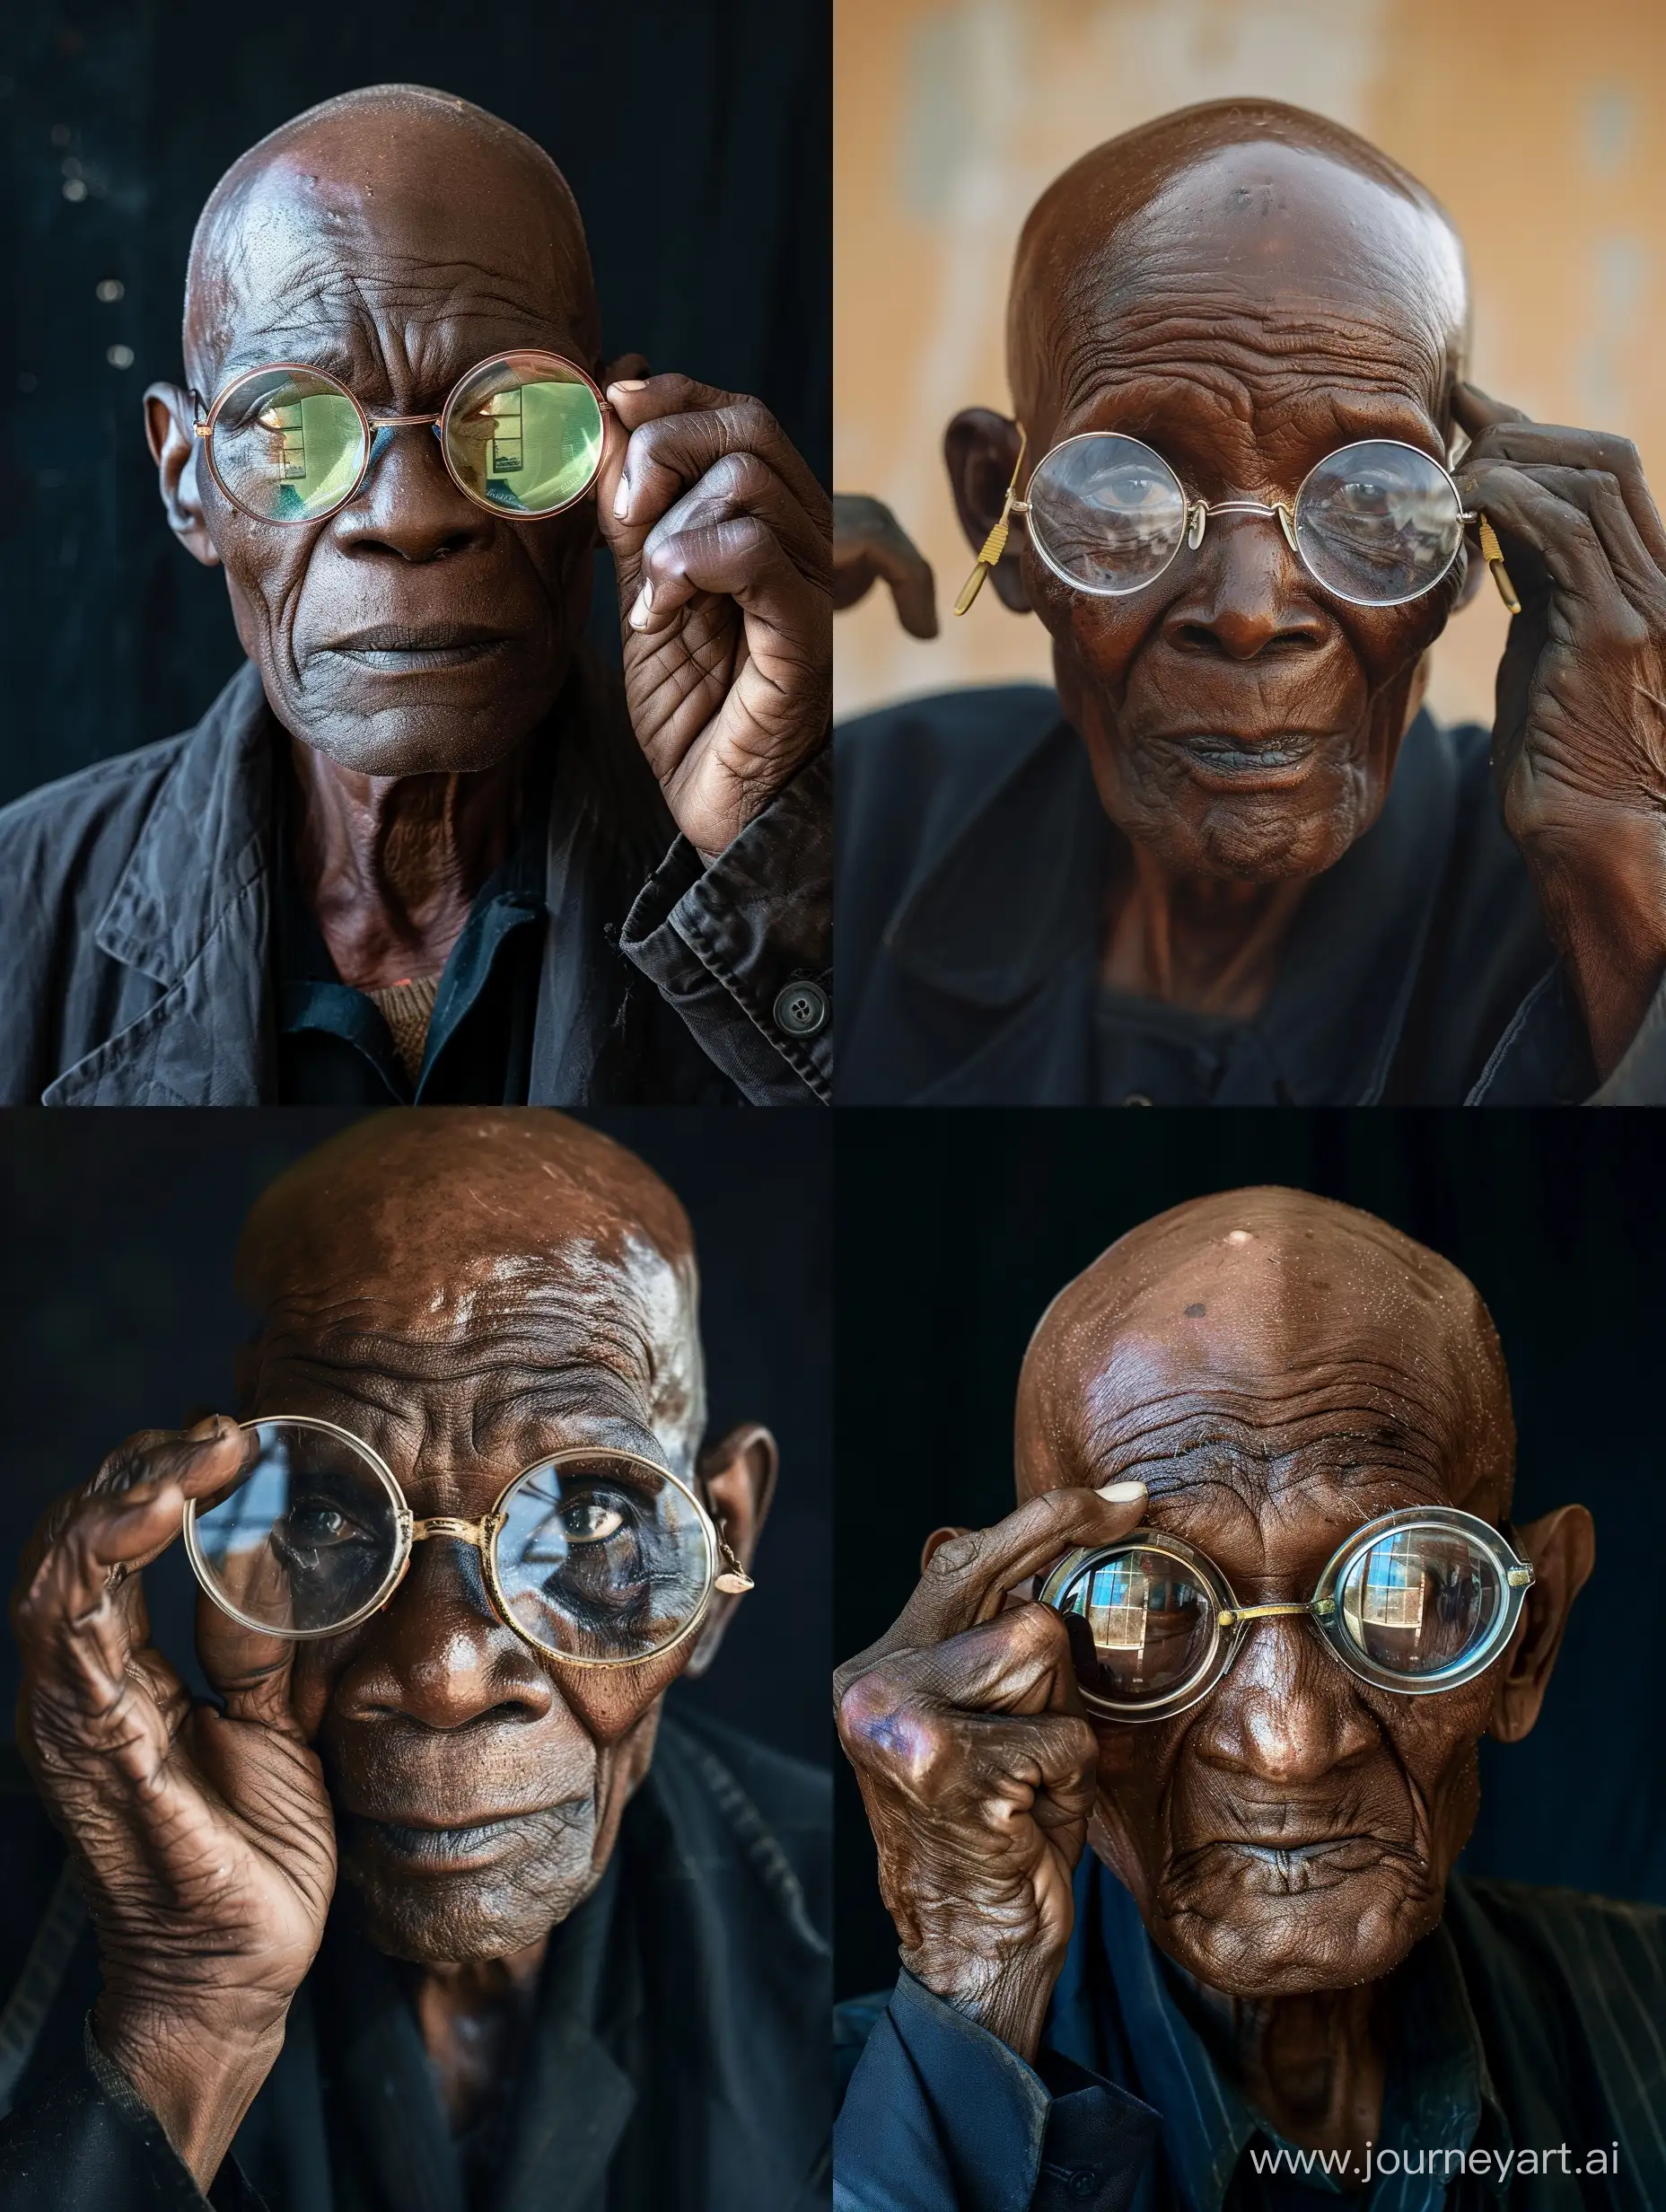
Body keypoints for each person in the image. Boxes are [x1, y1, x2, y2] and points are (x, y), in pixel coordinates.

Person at [0, 1111, 829, 2210]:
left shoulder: (854, 1916)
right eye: (336, 1517)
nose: (440, 1672)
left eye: (583, 1523)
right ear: (227, 1521)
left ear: (720, 1543)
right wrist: (185, 2013)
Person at [0, 85, 831, 1108]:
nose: (408, 513)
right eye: (295, 428)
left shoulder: (816, 864)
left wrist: (767, 856)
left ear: (619, 455)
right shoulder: (17, 909)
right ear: (186, 480)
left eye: (509, 418)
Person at [833, 1189, 1663, 2210]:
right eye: (1146, 1604)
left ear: (1524, 1640)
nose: (1286, 1742)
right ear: (991, 1660)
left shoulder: (1649, 2024)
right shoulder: (827, 2116)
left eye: (1399, 1591)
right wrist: (975, 2001)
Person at [835, 101, 1666, 1105]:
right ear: (998, 518)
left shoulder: (1574, 890)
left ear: (1464, 538)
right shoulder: (858, 820)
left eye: (1366, 499)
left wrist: (1619, 866)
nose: (1246, 613)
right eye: (1128, 488)